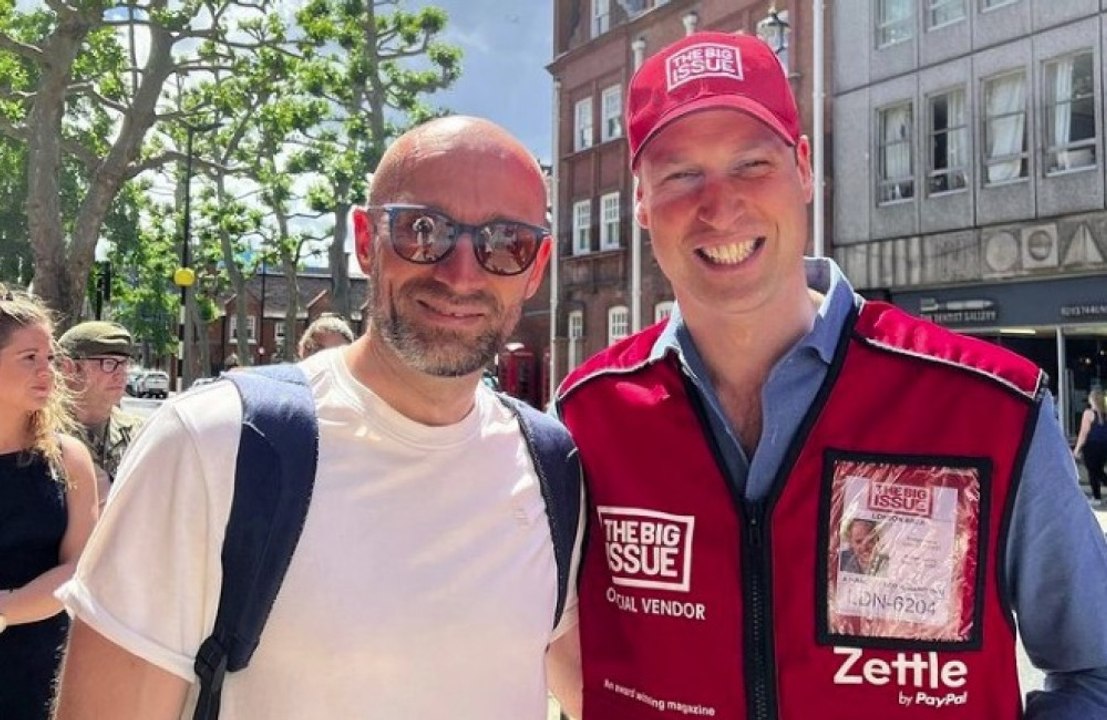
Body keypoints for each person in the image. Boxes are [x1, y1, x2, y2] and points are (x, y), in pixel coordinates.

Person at [548, 31, 1107, 719]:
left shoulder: (990, 406)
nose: (719, 206)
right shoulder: (585, 420)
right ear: (639, 201)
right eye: (680, 174)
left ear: (803, 168)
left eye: (751, 164)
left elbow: (1095, 670)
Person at [53, 116, 576, 720]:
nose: (461, 273)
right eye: (422, 230)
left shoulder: (552, 468)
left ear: (536, 266)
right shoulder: (213, 443)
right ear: (364, 239)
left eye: (506, 242)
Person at [0, 285, 98, 719]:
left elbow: (79, 568)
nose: (48, 372)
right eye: (29, 358)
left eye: (50, 359)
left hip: (39, 670)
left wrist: (2, 611)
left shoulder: (69, 458)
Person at [57, 321, 144, 504]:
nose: (120, 374)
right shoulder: (41, 434)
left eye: (124, 364)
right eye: (109, 363)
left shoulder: (139, 433)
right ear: (70, 369)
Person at [1074, 388, 1107, 508]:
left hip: (1091, 446)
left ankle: (1096, 497)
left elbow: (1084, 433)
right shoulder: (1104, 414)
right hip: (1104, 446)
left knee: (1093, 472)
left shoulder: (1088, 413)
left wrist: (1077, 449)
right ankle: (1097, 495)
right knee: (1099, 471)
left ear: (1092, 399)